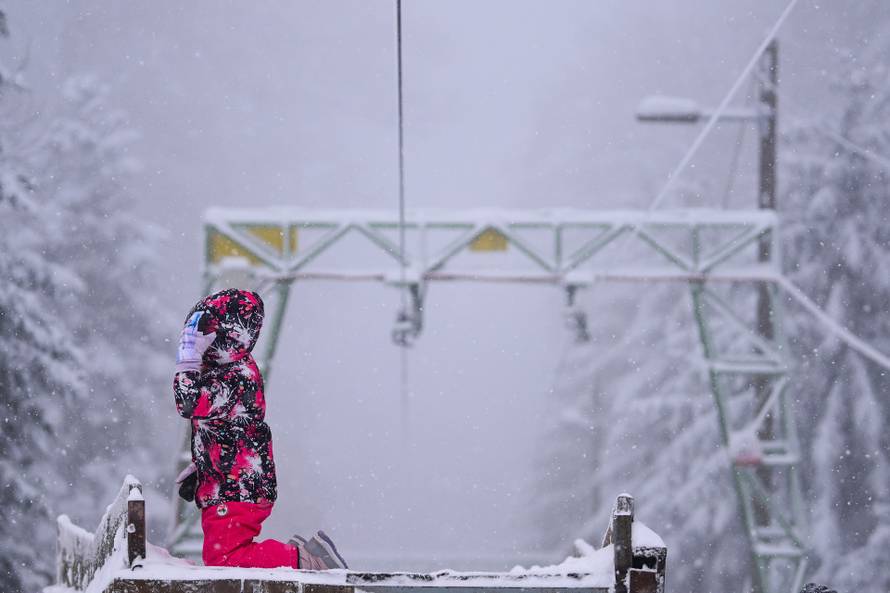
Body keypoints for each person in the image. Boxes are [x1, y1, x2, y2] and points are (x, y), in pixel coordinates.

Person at [173, 288, 348, 570]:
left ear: (227, 335)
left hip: (238, 486)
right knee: (223, 558)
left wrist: (188, 357)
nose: (196, 342)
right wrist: (203, 466)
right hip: (231, 482)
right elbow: (227, 429)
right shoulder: (227, 371)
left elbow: (189, 403)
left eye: (202, 333)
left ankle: (305, 561)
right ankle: (303, 554)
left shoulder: (234, 377)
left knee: (225, 560)